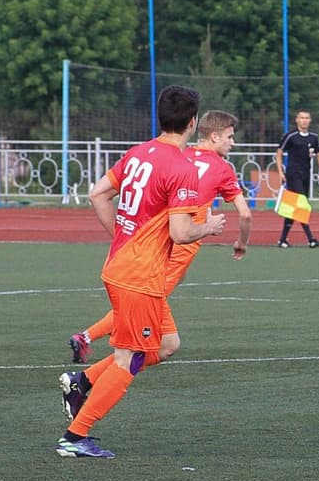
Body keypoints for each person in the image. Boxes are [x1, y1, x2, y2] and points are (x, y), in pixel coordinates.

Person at [56, 85, 226, 458]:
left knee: (166, 345)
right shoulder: (181, 167)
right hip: (141, 275)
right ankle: (74, 436)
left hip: (121, 265)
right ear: (193, 122)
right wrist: (209, 228)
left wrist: (121, 234)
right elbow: (181, 233)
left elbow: (97, 194)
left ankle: (81, 380)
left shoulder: (137, 154)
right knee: (129, 358)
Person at [66, 109, 252, 370]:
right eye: (230, 137)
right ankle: (87, 341)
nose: (232, 143)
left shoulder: (179, 154)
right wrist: (241, 243)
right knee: (157, 320)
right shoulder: (222, 168)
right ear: (213, 136)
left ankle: (95, 350)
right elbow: (245, 214)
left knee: (150, 301)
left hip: (154, 237)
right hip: (176, 243)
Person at [274, 108, 319, 248]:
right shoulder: (291, 136)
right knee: (302, 205)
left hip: (305, 175)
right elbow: (279, 153)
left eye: (307, 118)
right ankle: (311, 239)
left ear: (310, 120)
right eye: (301, 118)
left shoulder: (313, 137)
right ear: (297, 120)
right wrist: (280, 172)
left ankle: (282, 240)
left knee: (293, 207)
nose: (304, 120)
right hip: (293, 174)